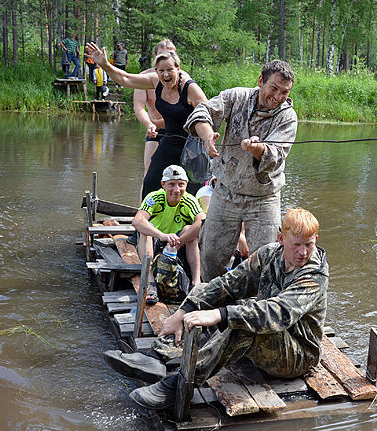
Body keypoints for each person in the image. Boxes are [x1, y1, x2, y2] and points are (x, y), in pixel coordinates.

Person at [103, 208, 328, 411]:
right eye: (296, 245)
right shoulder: (269, 254)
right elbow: (228, 284)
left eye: (309, 244)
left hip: (297, 355)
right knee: (212, 299)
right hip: (272, 338)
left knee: (238, 322)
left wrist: (218, 315)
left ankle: (179, 383)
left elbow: (276, 313)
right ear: (281, 239)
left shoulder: (313, 275)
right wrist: (186, 310)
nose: (303, 252)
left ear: (316, 240)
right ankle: (156, 357)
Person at [184, 60, 298, 283]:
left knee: (267, 260)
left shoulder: (288, 117)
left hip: (263, 198)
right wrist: (208, 135)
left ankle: (260, 309)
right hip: (225, 191)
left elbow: (274, 157)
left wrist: (257, 148)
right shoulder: (236, 97)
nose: (278, 96)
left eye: (284, 92)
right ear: (260, 81)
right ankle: (210, 304)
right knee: (211, 255)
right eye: (273, 88)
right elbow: (202, 112)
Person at [86, 42, 208, 199]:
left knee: (192, 188)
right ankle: (146, 218)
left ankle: (193, 221)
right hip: (168, 139)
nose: (165, 75)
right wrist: (104, 65)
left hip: (192, 143)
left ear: (178, 68)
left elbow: (207, 114)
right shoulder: (154, 80)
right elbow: (125, 79)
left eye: (170, 70)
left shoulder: (189, 87)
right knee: (151, 181)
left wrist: (208, 138)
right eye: (161, 71)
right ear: (156, 69)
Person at [132, 165, 205, 304]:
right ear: (163, 184)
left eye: (180, 185)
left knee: (190, 229)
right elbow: (137, 221)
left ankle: (196, 282)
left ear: (186, 185)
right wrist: (161, 235)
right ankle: (150, 281)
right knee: (145, 229)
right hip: (155, 242)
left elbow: (202, 220)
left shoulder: (189, 200)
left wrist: (180, 242)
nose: (176, 190)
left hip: (176, 243)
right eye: (171, 185)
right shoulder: (155, 197)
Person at [134, 39, 184, 204]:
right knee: (149, 175)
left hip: (177, 131)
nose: (169, 56)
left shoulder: (182, 78)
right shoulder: (145, 78)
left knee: (179, 175)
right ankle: (144, 211)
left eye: (172, 54)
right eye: (164, 53)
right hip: (155, 129)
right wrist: (149, 124)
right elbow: (139, 107)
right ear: (156, 56)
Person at [196, 177, 249, 264]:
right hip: (210, 232)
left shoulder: (235, 194)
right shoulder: (205, 192)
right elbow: (212, 216)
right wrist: (241, 238)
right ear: (216, 181)